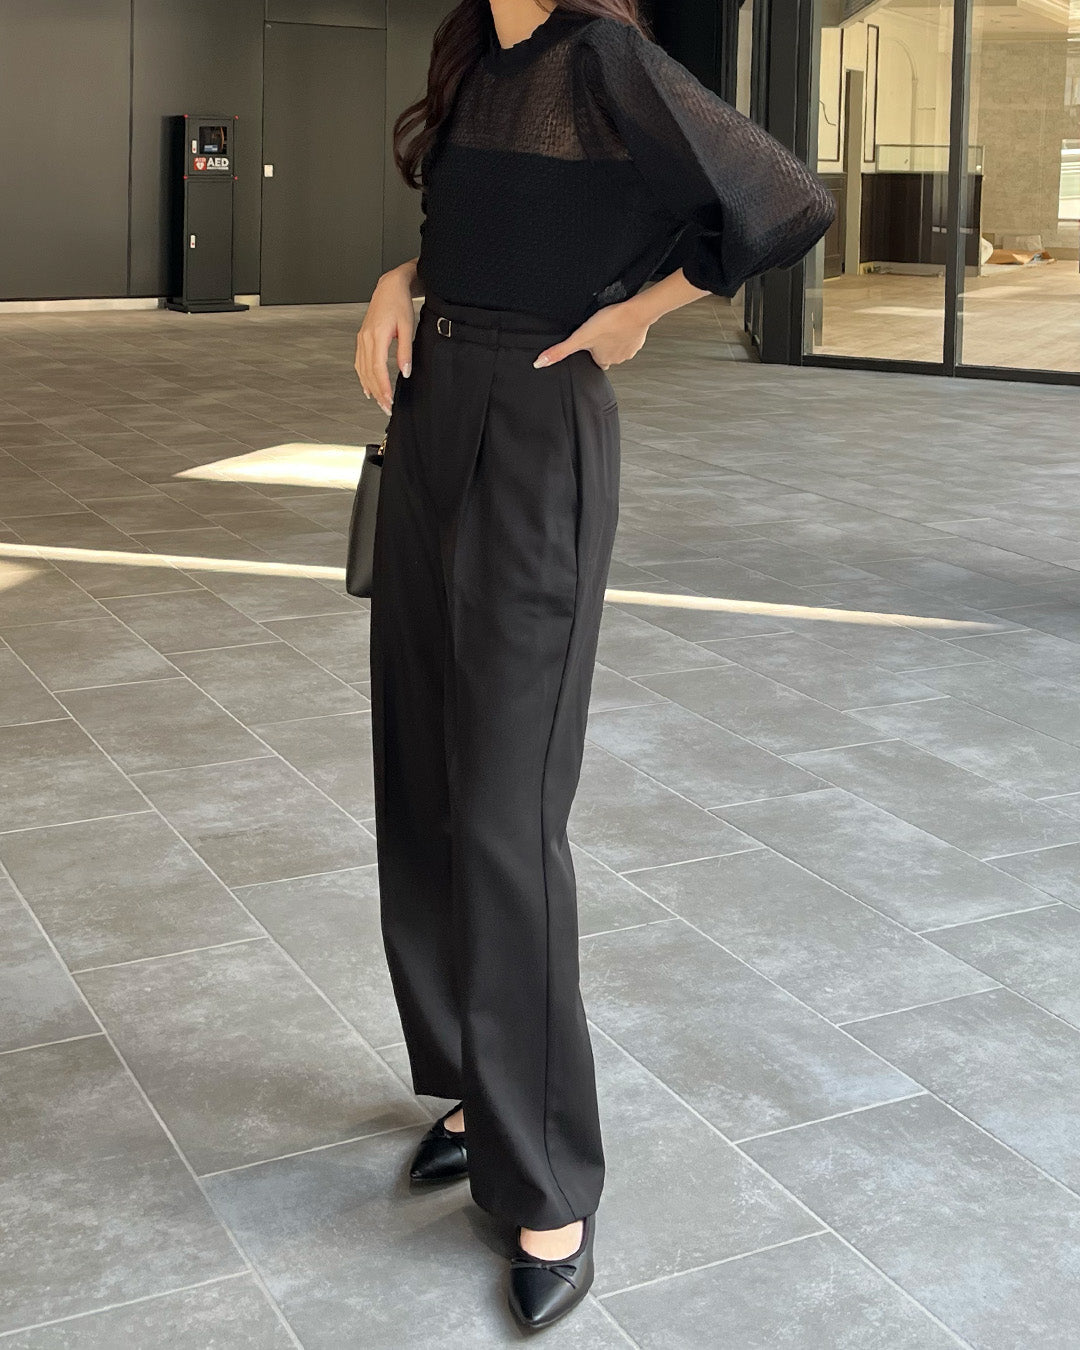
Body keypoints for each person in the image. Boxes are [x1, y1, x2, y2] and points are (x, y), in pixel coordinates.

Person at [354, 0, 834, 1329]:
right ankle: (473, 1085)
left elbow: (785, 203)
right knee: (422, 774)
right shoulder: (476, 60)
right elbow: (485, 234)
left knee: (505, 811)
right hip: (433, 418)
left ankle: (550, 1178)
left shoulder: (601, 56)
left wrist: (646, 312)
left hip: (538, 427)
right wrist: (402, 280)